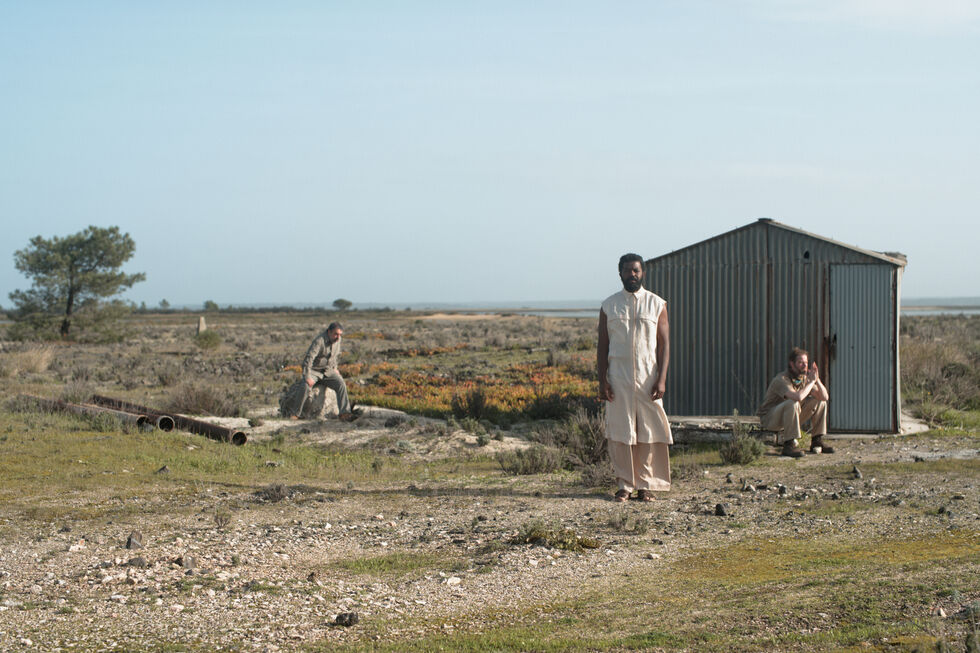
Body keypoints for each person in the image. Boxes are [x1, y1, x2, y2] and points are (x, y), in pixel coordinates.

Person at [597, 253, 673, 502]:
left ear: (643, 273)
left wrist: (661, 379)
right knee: (621, 431)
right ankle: (624, 485)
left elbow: (664, 345)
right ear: (620, 273)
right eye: (627, 270)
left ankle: (645, 485)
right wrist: (602, 380)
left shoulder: (657, 304)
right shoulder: (609, 306)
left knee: (649, 430)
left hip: (648, 379)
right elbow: (602, 346)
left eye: (636, 270)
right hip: (618, 379)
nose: (632, 275)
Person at [757, 347, 831, 457]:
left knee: (820, 402)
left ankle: (817, 440)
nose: (805, 365)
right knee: (792, 402)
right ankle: (789, 445)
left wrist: (817, 380)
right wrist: (811, 383)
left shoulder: (804, 379)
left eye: (806, 362)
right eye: (800, 362)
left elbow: (825, 397)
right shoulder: (781, 379)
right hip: (770, 419)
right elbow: (798, 397)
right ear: (792, 364)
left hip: (789, 417)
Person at [291, 322, 359, 421]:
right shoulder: (319, 341)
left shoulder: (338, 340)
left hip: (327, 371)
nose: (338, 337)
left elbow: (335, 356)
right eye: (336, 334)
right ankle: (295, 414)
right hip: (315, 371)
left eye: (340, 334)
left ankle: (344, 413)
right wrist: (307, 376)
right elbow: (308, 359)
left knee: (340, 383)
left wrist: (335, 368)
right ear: (329, 332)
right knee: (305, 386)